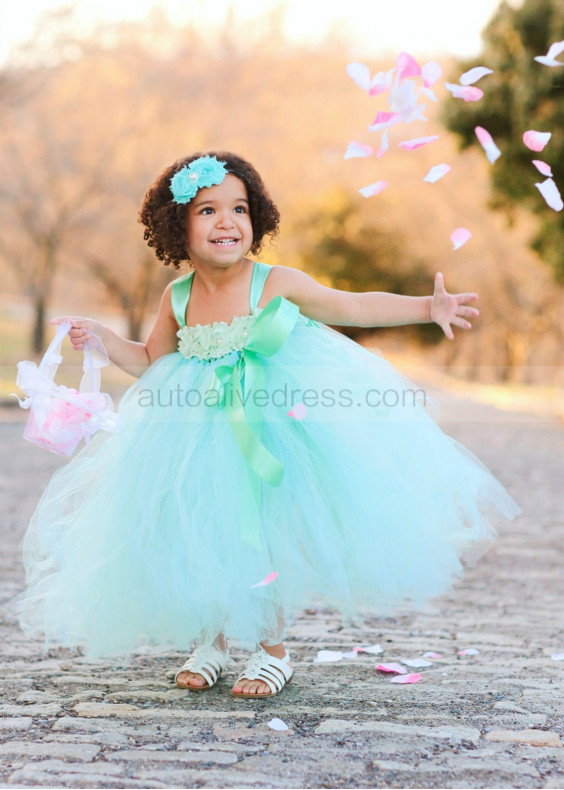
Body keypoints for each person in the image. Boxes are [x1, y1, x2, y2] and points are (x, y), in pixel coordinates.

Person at [13, 151, 521, 699]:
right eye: (207, 210)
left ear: (256, 220)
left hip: (273, 422)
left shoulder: (273, 282)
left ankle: (272, 651)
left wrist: (427, 308)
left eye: (239, 208)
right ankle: (209, 641)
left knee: (263, 529)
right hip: (192, 433)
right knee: (198, 525)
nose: (226, 221)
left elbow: (349, 306)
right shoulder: (177, 296)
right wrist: (105, 341)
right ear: (176, 224)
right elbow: (154, 362)